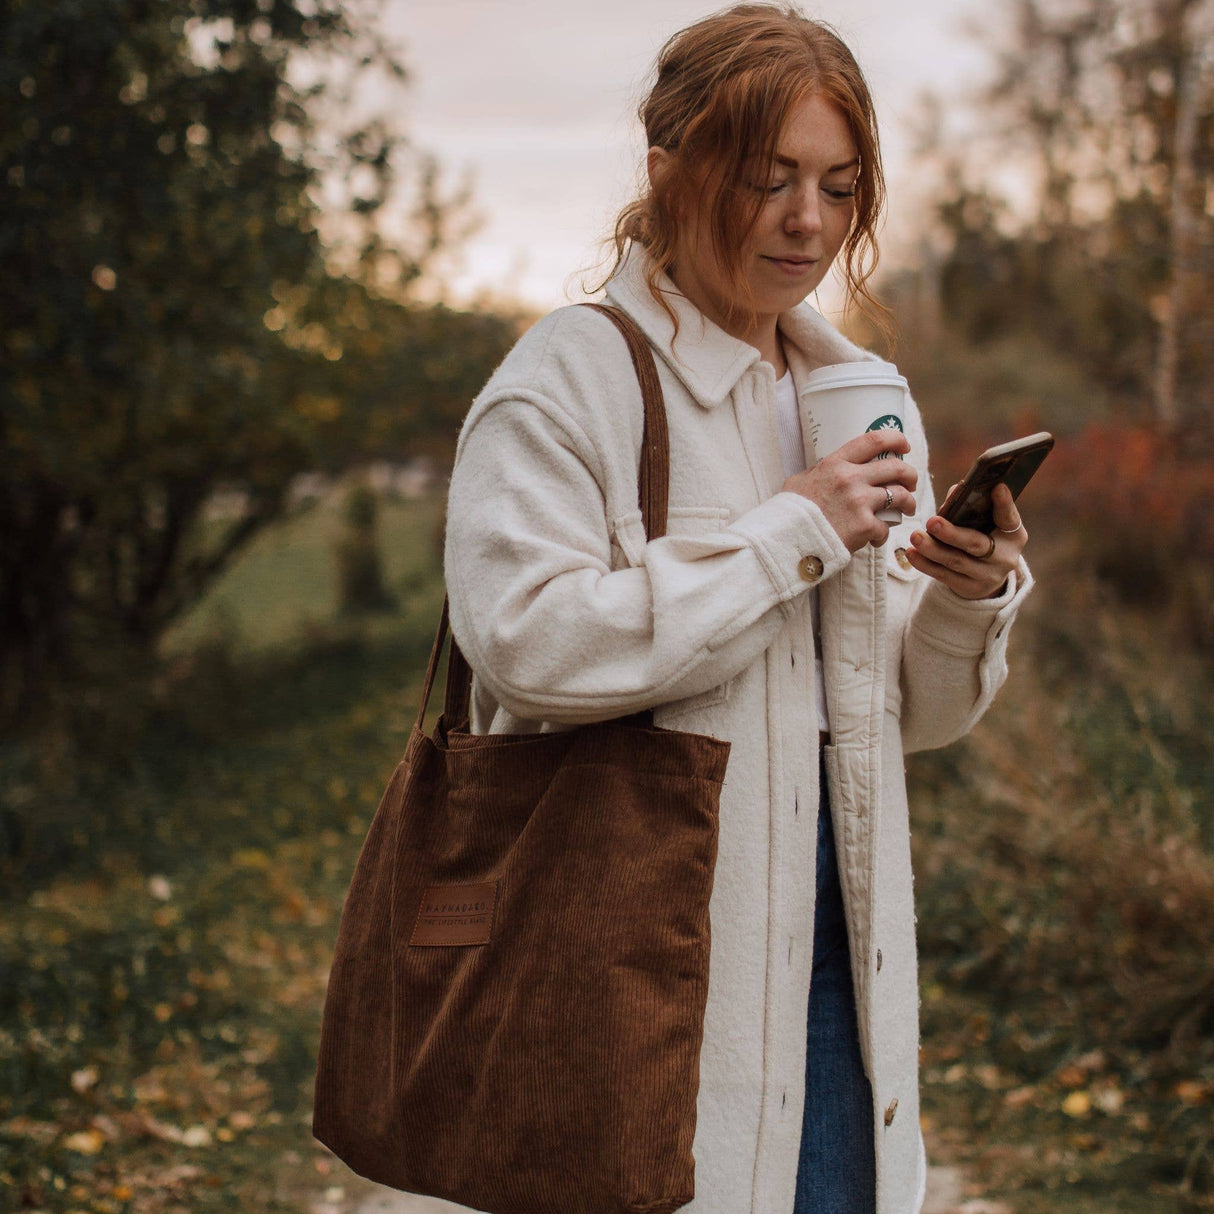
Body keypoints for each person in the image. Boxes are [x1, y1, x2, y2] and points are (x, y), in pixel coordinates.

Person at [443, 5, 1032, 1212]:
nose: (805, 220)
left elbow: (890, 719)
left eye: (835, 183)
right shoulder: (566, 381)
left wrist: (965, 603)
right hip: (637, 971)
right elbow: (522, 643)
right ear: (667, 175)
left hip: (838, 966)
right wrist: (792, 533)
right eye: (765, 180)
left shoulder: (858, 396)